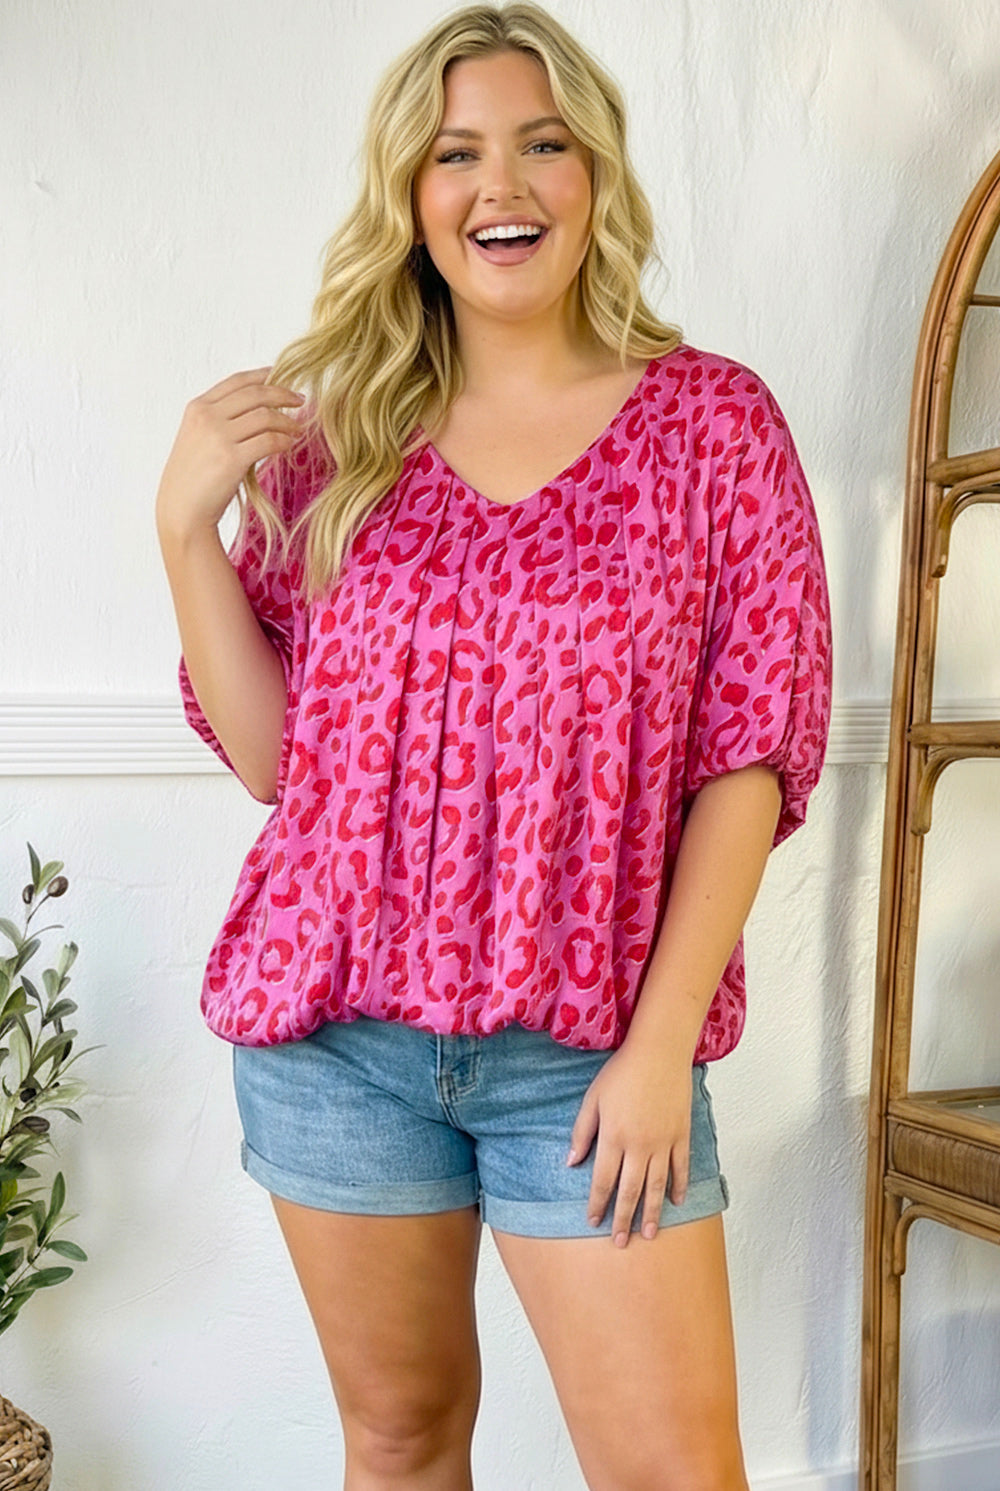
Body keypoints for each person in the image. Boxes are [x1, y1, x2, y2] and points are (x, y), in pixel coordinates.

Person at [156, 4, 832, 1487]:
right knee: (400, 1443)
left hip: (590, 1055)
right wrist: (185, 532)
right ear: (411, 194)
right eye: (457, 154)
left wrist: (659, 1050)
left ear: (597, 176)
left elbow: (748, 760)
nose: (501, 186)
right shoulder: (340, 439)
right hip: (337, 1047)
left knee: (673, 1474)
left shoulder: (713, 428)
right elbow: (278, 765)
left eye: (543, 144)